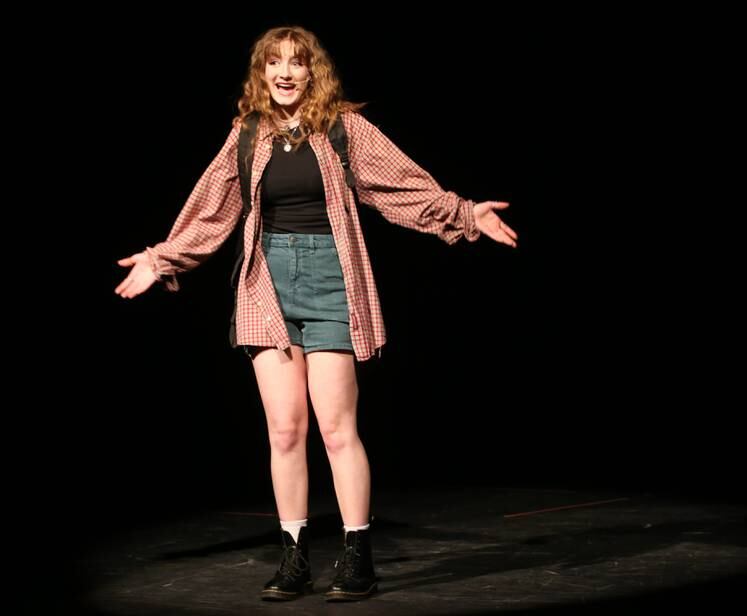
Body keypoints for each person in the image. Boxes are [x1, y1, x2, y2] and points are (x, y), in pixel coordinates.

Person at [114, 25, 518, 603]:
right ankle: (295, 557)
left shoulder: (343, 128)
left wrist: (461, 214)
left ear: (312, 72)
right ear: (262, 73)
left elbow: (400, 185)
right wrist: (164, 257)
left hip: (332, 278)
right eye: (273, 62)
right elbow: (212, 207)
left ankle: (357, 557)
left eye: (295, 63)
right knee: (285, 430)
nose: (284, 72)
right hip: (266, 282)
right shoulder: (247, 135)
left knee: (335, 428)